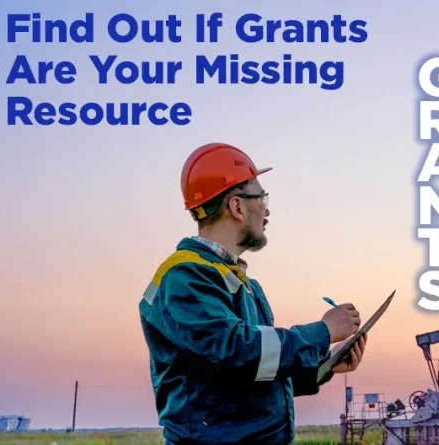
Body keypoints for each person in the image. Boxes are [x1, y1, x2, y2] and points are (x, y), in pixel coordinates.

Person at [139, 142, 368, 445]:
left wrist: (321, 366)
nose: (267, 210)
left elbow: (251, 374)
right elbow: (236, 351)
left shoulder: (241, 283)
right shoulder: (184, 278)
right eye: (261, 197)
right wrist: (322, 332)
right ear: (236, 206)